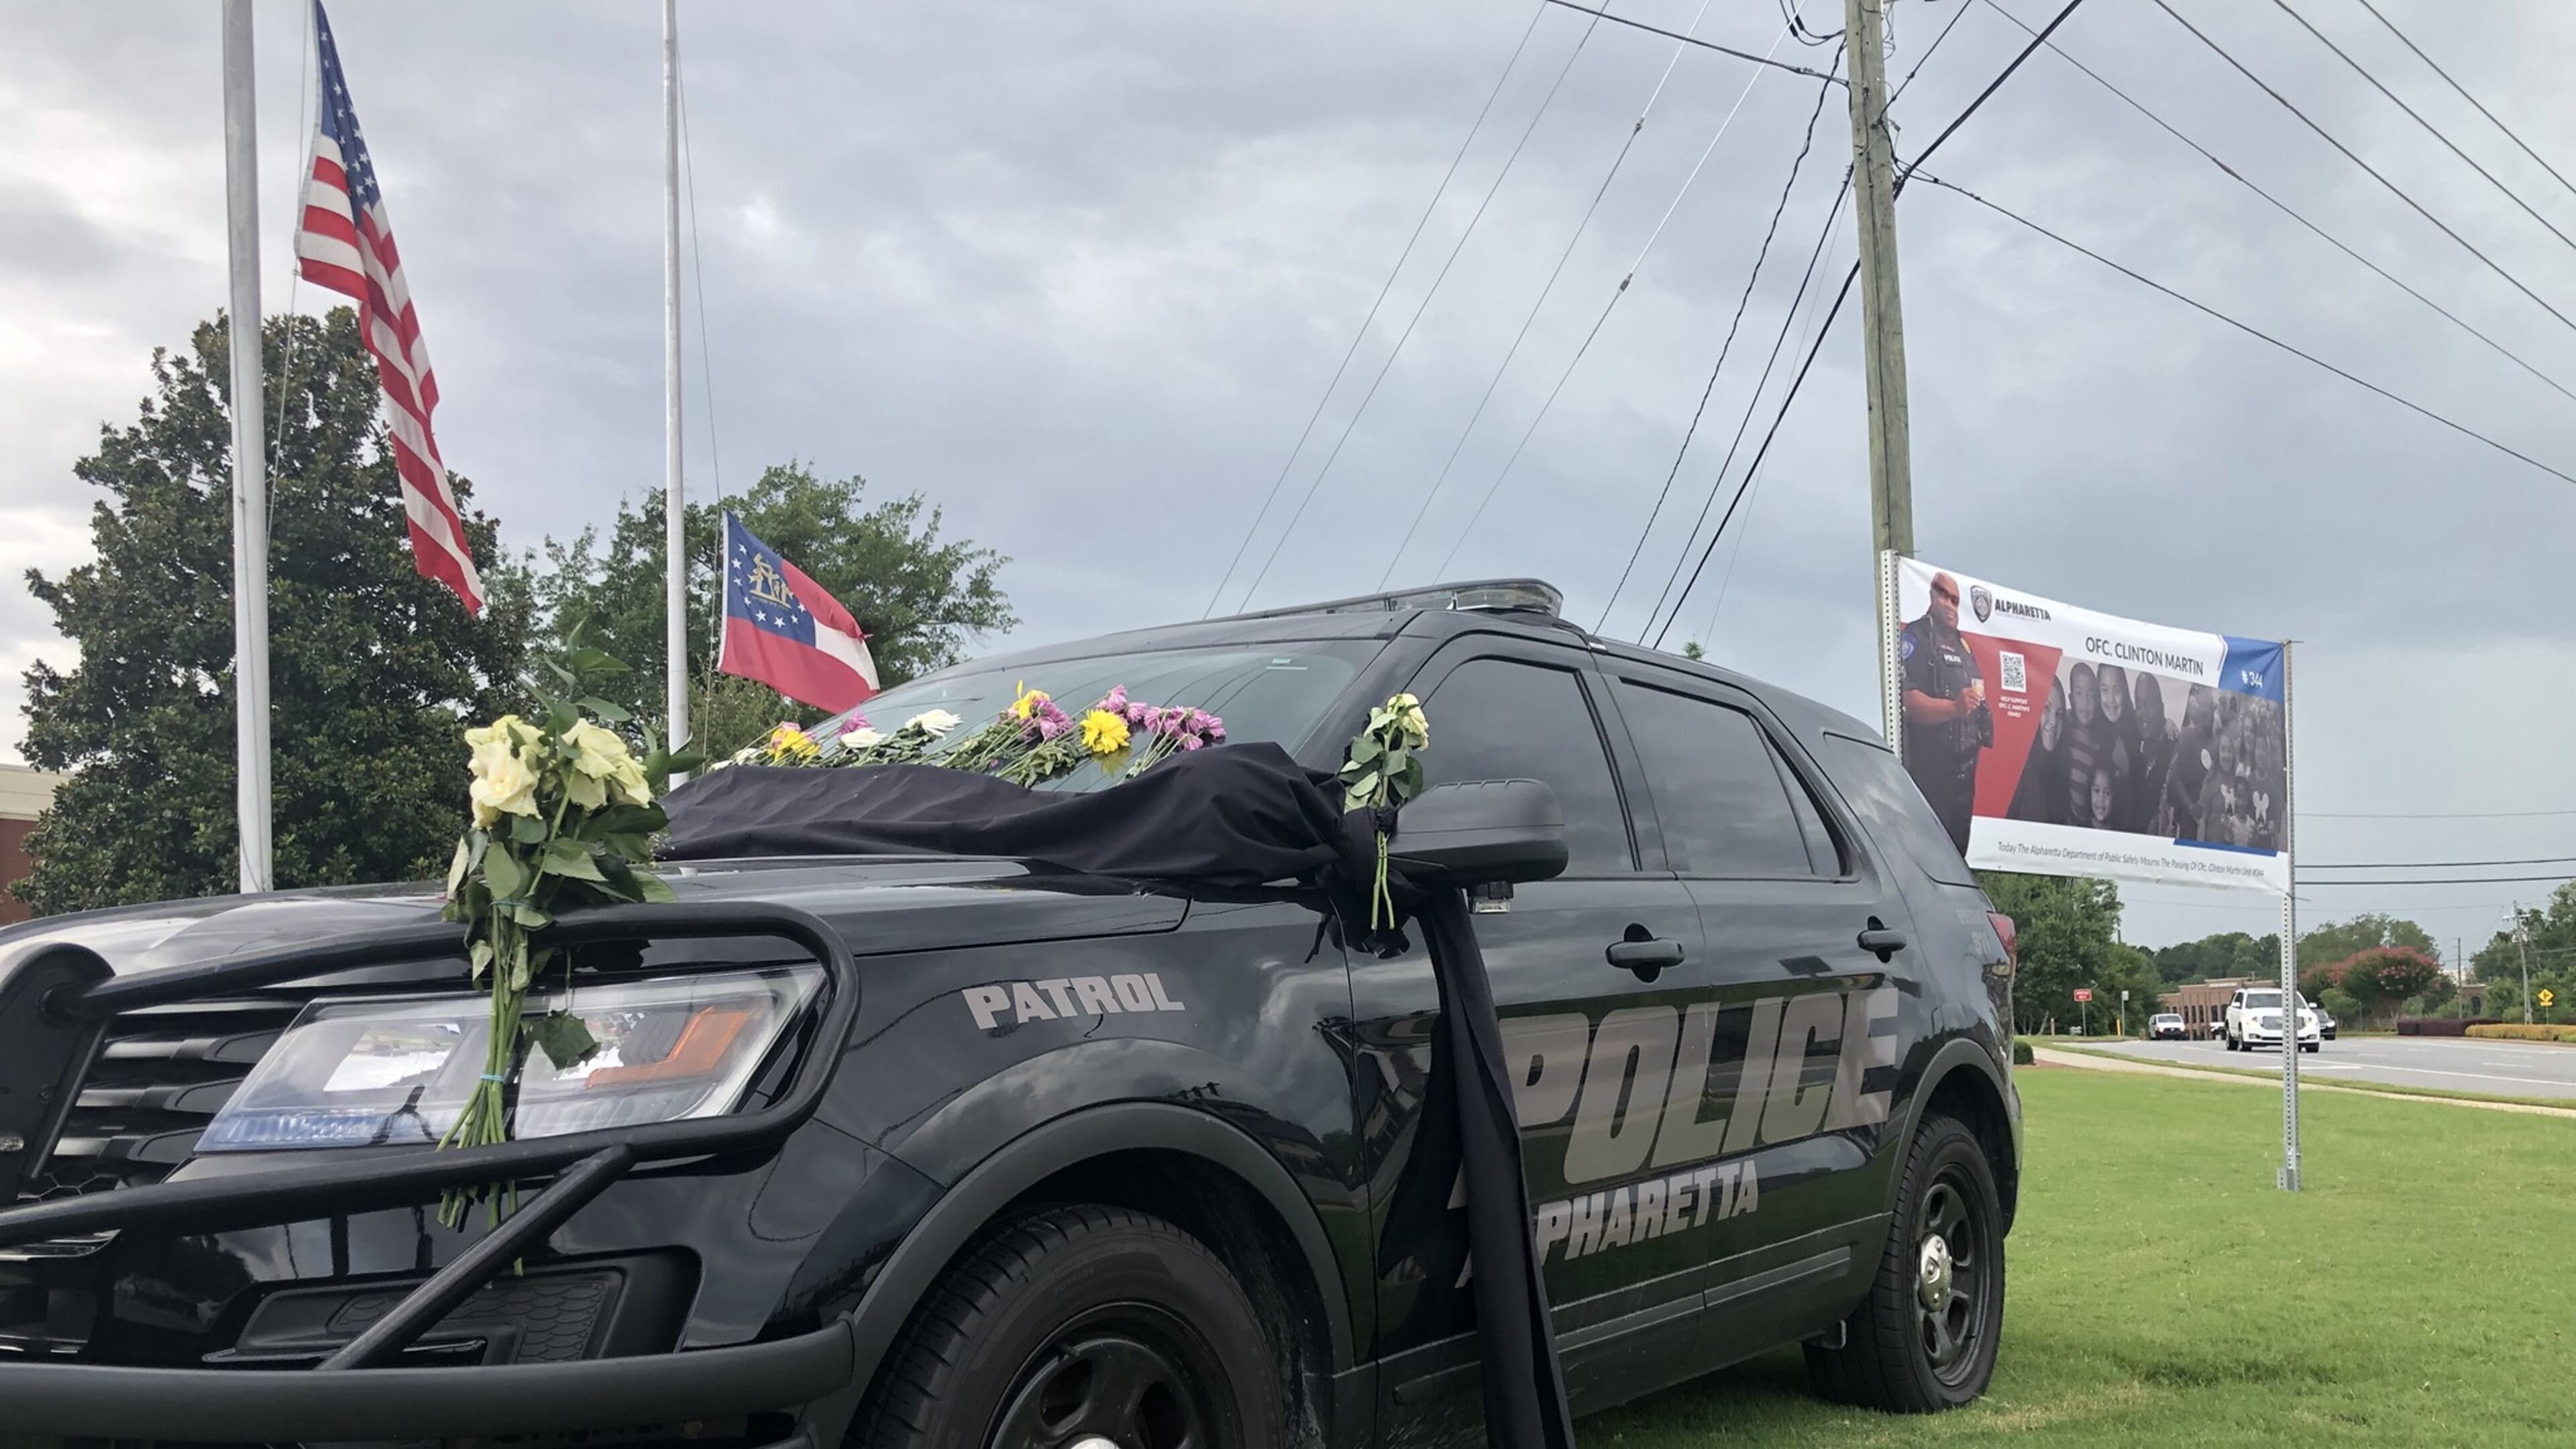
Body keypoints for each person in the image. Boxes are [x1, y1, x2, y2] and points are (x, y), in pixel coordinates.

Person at [1900, 572, 1991, 853]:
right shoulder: (1916, 636)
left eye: (1955, 600)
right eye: (1944, 595)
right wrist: (1954, 708)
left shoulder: (1963, 646)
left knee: (1958, 868)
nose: (1950, 605)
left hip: (1964, 786)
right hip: (1931, 780)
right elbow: (1910, 703)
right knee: (1929, 861)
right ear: (1930, 596)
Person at [2008, 677, 2067, 825]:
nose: (2054, 722)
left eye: (2060, 714)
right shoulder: (2017, 772)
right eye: (2046, 708)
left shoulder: (2058, 773)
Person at [2166, 684, 2217, 841]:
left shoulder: (2217, 741)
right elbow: (2175, 778)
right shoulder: (2188, 737)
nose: (2209, 713)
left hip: (2212, 822)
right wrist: (2190, 807)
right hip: (2190, 821)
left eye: (2211, 709)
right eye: (2205, 709)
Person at [2129, 674, 2176, 835]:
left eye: (2150, 705)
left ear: (2161, 707)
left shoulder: (2172, 750)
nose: (2145, 714)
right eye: (2140, 706)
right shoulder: (2134, 745)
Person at [2095, 664, 2137, 828]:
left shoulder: (2135, 727)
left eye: (2117, 691)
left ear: (2125, 693)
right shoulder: (2091, 732)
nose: (2111, 699)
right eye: (2105, 690)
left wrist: (2167, 723)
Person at [2062, 661, 2100, 829]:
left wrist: (2168, 722)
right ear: (2071, 699)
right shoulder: (2064, 726)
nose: (2085, 701)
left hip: (2085, 822)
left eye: (2091, 695)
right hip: (2064, 818)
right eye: (2079, 694)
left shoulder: (2100, 738)